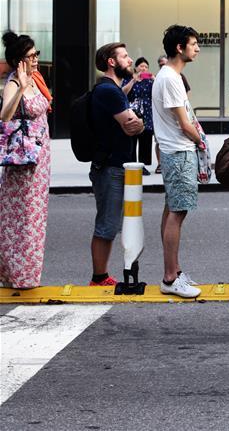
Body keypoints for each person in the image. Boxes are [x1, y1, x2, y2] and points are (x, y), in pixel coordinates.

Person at [151, 24, 204, 299]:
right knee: (177, 213)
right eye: (193, 44)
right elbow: (184, 124)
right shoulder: (170, 78)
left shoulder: (169, 76)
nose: (197, 48)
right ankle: (170, 277)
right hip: (179, 152)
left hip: (174, 151)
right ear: (179, 48)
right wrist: (201, 141)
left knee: (172, 209)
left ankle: (175, 271)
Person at [87, 43, 145, 286]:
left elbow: (132, 124)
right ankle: (98, 277)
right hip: (110, 166)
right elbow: (132, 124)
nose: (130, 60)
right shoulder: (108, 91)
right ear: (111, 62)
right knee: (107, 224)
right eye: (124, 56)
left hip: (114, 164)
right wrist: (138, 123)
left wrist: (136, 123)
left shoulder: (112, 89)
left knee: (111, 222)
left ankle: (101, 275)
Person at [0, 32, 51, 289]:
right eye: (31, 56)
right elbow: (5, 116)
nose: (35, 60)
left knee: (34, 220)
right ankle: (16, 275)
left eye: (36, 54)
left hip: (40, 161)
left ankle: (28, 275)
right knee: (20, 221)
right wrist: (20, 86)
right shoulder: (14, 83)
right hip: (23, 162)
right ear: (19, 60)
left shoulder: (36, 79)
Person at [130, 57, 155, 175]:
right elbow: (123, 92)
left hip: (147, 113)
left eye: (146, 67)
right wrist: (133, 81)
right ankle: (132, 164)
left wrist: (155, 80)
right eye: (141, 66)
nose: (143, 69)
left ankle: (143, 165)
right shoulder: (129, 79)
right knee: (132, 139)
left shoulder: (150, 81)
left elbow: (158, 93)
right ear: (136, 68)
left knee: (146, 140)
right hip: (133, 112)